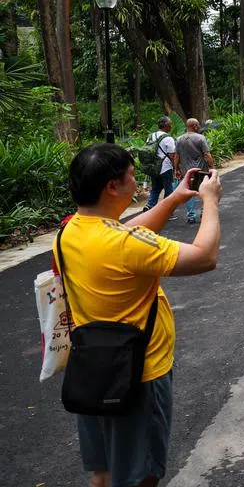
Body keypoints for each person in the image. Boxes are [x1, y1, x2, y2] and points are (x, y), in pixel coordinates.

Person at [55, 143, 223, 487]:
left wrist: (175, 198)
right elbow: (204, 256)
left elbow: (128, 231)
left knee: (102, 472)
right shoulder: (126, 245)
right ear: (112, 187)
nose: (138, 182)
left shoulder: (68, 231)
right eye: (132, 176)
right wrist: (209, 201)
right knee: (140, 476)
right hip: (138, 375)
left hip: (92, 368)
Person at [174, 118, 215, 225]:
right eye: (197, 125)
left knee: (189, 193)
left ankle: (191, 216)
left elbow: (177, 156)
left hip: (186, 171)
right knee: (205, 190)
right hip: (201, 171)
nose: (199, 127)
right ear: (194, 126)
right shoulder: (201, 138)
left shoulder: (179, 139)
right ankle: (203, 211)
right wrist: (212, 166)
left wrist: (176, 169)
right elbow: (206, 154)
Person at [142, 116, 178, 217]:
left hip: (153, 167)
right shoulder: (168, 138)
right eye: (170, 124)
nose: (171, 125)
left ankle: (150, 206)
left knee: (155, 189)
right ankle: (167, 213)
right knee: (169, 190)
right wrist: (176, 168)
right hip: (165, 167)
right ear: (166, 125)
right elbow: (172, 155)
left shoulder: (151, 136)